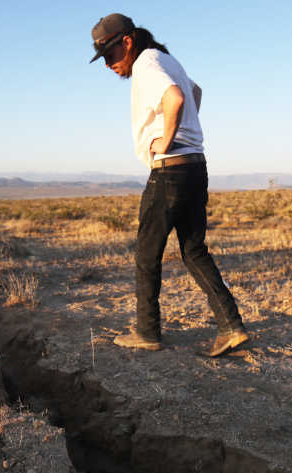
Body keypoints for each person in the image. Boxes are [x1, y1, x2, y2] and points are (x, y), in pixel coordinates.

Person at [89, 13, 249, 357]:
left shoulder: (147, 64)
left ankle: (147, 331)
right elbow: (195, 92)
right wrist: (187, 133)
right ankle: (231, 327)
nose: (108, 65)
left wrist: (165, 141)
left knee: (147, 254)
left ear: (127, 42)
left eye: (109, 55)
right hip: (195, 166)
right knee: (193, 250)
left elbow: (176, 98)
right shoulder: (166, 59)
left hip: (170, 171)